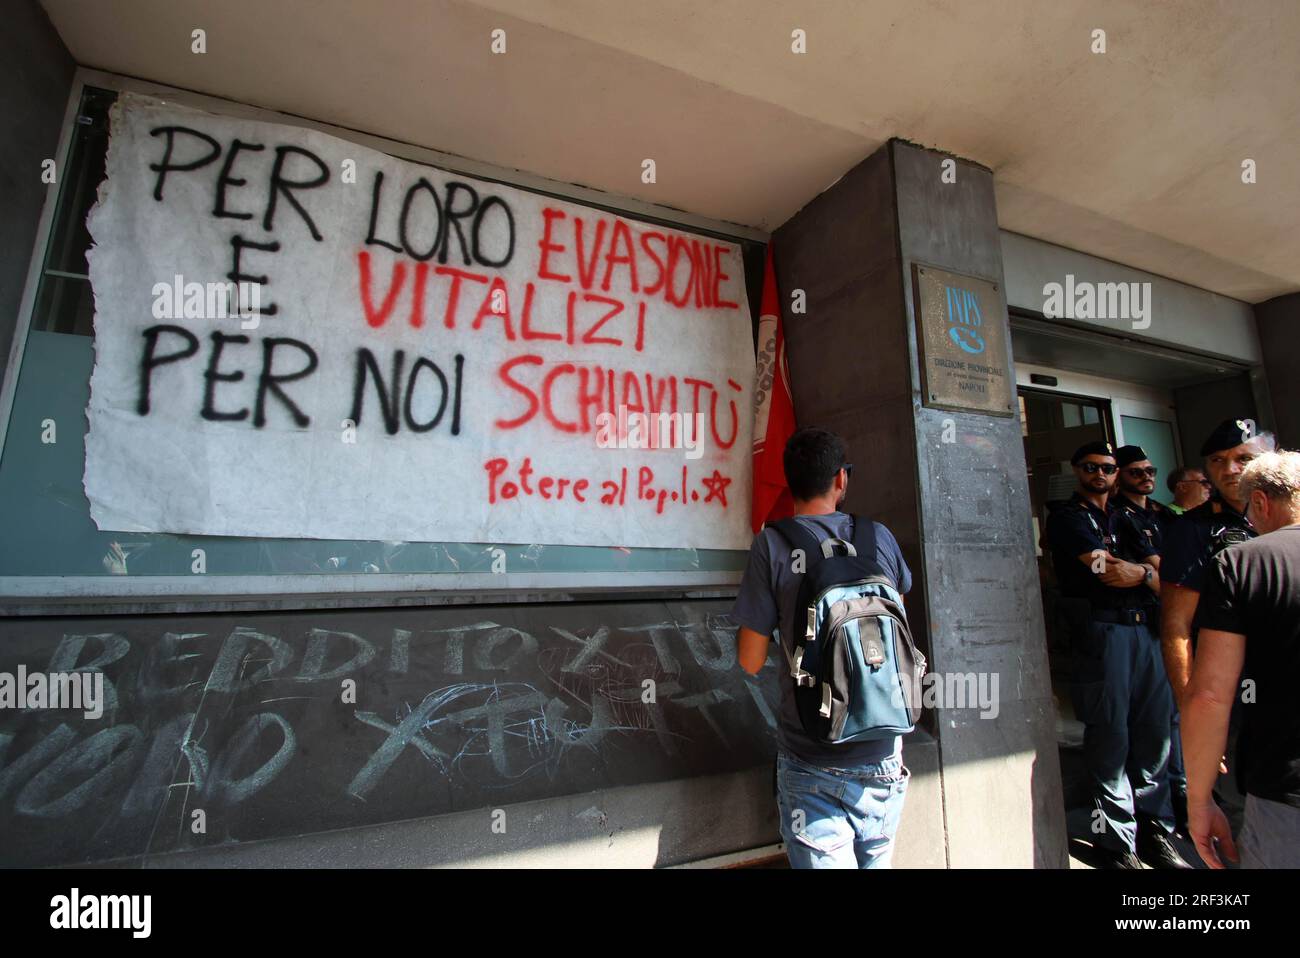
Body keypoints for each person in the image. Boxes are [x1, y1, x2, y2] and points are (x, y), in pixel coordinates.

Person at [731, 427, 913, 868]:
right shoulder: (878, 537)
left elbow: (750, 661)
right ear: (841, 480)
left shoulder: (772, 544)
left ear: (790, 482)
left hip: (811, 755)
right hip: (884, 751)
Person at [1045, 440, 1188, 868]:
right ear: (1077, 469)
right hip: (1104, 633)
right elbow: (1103, 570)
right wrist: (1140, 573)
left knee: (1155, 735)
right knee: (1111, 737)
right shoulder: (1069, 518)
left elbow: (1165, 576)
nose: (1101, 474)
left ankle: (1155, 833)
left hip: (1148, 632)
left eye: (1108, 467)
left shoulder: (1129, 516)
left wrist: (1141, 573)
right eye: (1091, 467)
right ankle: (1115, 841)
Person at [1182, 450, 1300, 868]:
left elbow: (1210, 696)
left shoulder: (1243, 561)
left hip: (1285, 796)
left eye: (1250, 512)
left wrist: (1199, 802)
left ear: (1262, 503)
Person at [1111, 444, 1187, 830]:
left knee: (1176, 718)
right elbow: (1166, 577)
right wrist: (1152, 577)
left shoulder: (1162, 514)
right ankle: (1157, 820)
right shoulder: (1118, 516)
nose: (1146, 477)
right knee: (1148, 725)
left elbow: (1180, 570)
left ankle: (1185, 799)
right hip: (1141, 625)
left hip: (1175, 625)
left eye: (1150, 470)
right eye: (1136, 472)